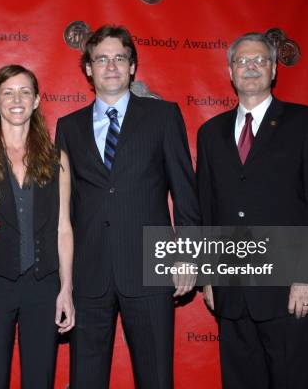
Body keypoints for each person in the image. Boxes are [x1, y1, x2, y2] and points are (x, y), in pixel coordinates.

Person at [55, 25, 201, 389]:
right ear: (88, 69)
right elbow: (66, 208)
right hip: (90, 273)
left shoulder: (163, 116)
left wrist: (187, 255)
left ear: (132, 66)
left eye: (120, 58)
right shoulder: (68, 127)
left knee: (156, 378)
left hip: (151, 268)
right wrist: (64, 277)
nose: (111, 66)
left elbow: (185, 192)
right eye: (101, 59)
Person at [197, 32, 308, 388]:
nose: (250, 68)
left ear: (274, 69)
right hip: (232, 291)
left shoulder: (305, 124)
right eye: (242, 61)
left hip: (288, 290)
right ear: (230, 72)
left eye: (260, 60)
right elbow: (207, 209)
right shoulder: (210, 133)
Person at [0, 65, 75, 389]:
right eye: (7, 92)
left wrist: (66, 289)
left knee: (40, 381)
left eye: (25, 92)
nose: (17, 99)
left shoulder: (57, 160)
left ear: (36, 100)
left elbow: (64, 229)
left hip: (44, 287)